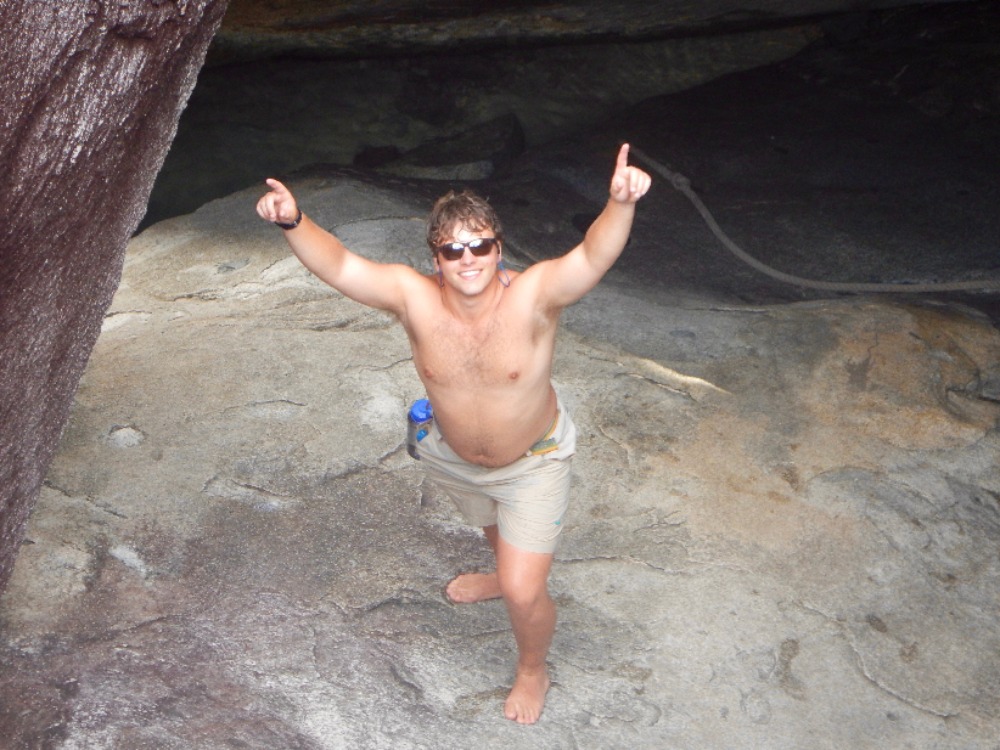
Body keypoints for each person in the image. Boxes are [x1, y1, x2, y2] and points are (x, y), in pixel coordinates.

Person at [256, 143, 651, 724]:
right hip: (452, 455)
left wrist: (619, 203)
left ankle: (533, 668)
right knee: (493, 529)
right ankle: (500, 570)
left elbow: (593, 255)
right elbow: (340, 265)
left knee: (524, 591)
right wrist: (293, 220)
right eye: (453, 249)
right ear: (436, 258)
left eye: (481, 245)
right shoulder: (412, 297)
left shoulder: (535, 296)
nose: (469, 259)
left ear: (499, 249)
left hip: (533, 461)